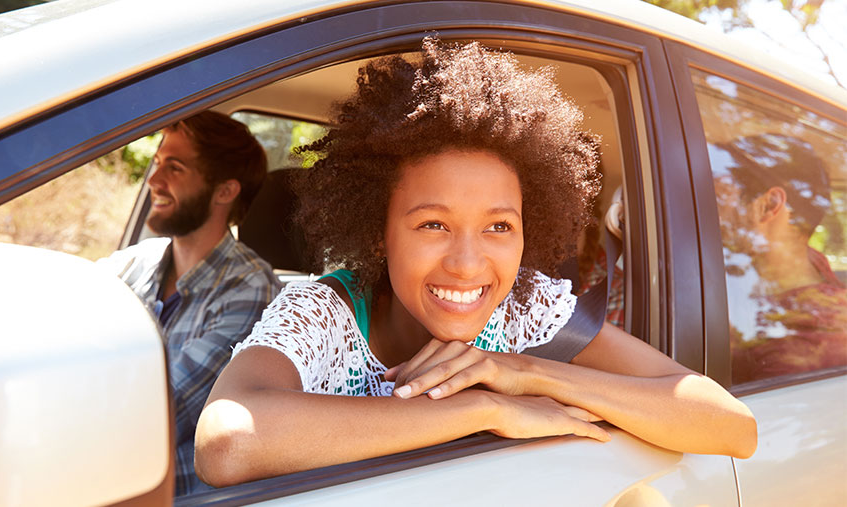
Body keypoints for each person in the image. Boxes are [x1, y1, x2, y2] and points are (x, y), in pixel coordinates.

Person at [194, 39, 756, 487]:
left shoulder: (525, 307)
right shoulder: (324, 314)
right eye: (433, 224)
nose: (467, 265)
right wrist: (484, 410)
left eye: (498, 227)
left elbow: (732, 427)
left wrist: (525, 372)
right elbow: (227, 443)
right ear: (377, 232)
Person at [98, 111, 281, 495]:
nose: (154, 180)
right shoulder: (134, 262)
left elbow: (156, 416)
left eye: (175, 168)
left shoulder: (249, 289)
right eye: (158, 162)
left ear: (224, 191)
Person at [710, 134, 847, 384]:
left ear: (769, 205)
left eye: (718, 195)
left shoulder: (801, 344)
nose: (710, 212)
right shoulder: (806, 263)